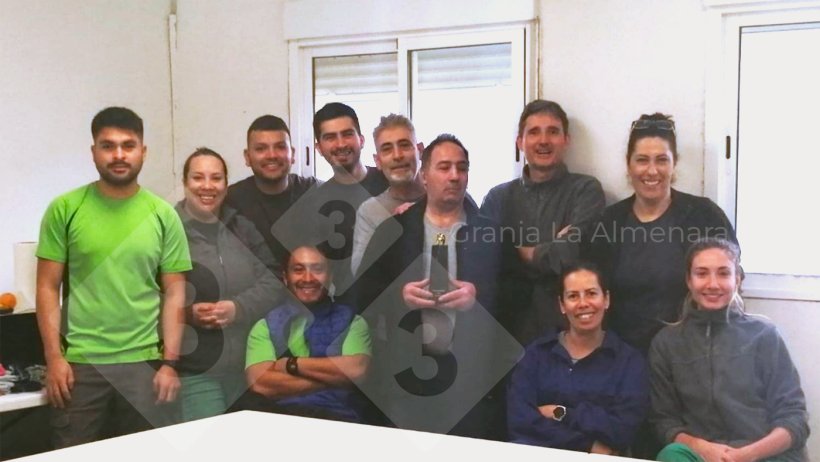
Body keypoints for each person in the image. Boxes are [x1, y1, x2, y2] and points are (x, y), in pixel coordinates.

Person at [35, 107, 191, 447]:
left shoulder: (163, 215)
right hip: (80, 365)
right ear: (94, 151)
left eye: (128, 145)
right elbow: (47, 287)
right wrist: (54, 358)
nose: (119, 155)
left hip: (145, 365)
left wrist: (169, 364)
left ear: (143, 151)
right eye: (108, 146)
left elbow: (176, 293)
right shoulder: (65, 209)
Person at [355, 134, 521, 439]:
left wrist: (478, 297)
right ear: (424, 175)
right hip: (407, 375)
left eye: (462, 168)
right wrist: (399, 296)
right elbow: (361, 297)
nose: (455, 176)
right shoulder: (394, 231)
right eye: (444, 167)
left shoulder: (491, 233)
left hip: (472, 378)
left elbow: (519, 297)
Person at [584, 113, 737, 354]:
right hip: (623, 357)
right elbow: (591, 293)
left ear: (674, 163)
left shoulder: (704, 216)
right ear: (629, 164)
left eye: (662, 160)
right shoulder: (608, 222)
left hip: (691, 354)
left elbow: (731, 283)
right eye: (642, 160)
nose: (652, 171)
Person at [650, 238, 809, 462]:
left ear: (737, 279)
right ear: (688, 280)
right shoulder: (666, 343)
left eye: (724, 273)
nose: (713, 284)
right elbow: (664, 422)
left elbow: (794, 419)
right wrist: (702, 448)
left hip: (764, 454)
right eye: (702, 274)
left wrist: (746, 455)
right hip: (705, 455)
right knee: (670, 454)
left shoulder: (764, 335)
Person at [481, 99, 605, 346]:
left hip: (568, 332)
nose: (544, 140)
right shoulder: (498, 198)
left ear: (566, 140)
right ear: (520, 142)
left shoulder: (585, 191)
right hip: (508, 332)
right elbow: (486, 258)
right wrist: (553, 246)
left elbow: (570, 254)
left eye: (553, 132)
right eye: (534, 132)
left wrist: (517, 249)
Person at [175, 148, 284, 421]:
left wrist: (238, 308)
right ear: (185, 182)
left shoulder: (242, 227)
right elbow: (145, 295)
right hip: (196, 370)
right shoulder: (167, 230)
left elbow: (274, 280)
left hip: (248, 368)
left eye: (216, 178)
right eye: (198, 177)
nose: (207, 186)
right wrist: (186, 313)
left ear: (226, 184)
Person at [507, 262, 648, 455]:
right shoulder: (536, 354)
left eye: (591, 293)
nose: (583, 303)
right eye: (573, 296)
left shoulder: (629, 362)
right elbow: (520, 421)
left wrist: (561, 412)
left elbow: (623, 429)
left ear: (606, 299)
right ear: (562, 305)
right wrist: (587, 445)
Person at [243, 245, 371, 423]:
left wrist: (289, 364)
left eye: (317, 270)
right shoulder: (265, 326)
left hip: (338, 420)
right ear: (285, 277)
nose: (308, 278)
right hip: (278, 421)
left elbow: (356, 371)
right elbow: (260, 383)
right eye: (298, 270)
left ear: (330, 277)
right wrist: (334, 378)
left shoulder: (353, 322)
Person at [307, 103, 388, 299]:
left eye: (347, 134)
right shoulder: (314, 204)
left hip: (402, 302)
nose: (341, 144)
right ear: (319, 148)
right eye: (330, 137)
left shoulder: (390, 182)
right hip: (350, 308)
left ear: (361, 139)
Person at [225, 115, 319, 277]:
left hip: (307, 289)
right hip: (253, 291)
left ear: (292, 154)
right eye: (261, 149)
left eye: (280, 147)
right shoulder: (229, 200)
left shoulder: (315, 193)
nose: (272, 155)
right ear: (247, 157)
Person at [350, 113, 425, 276]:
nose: (397, 156)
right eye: (387, 149)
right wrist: (393, 226)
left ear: (420, 150)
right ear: (378, 161)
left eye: (404, 145)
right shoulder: (370, 211)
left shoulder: (447, 198)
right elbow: (361, 275)